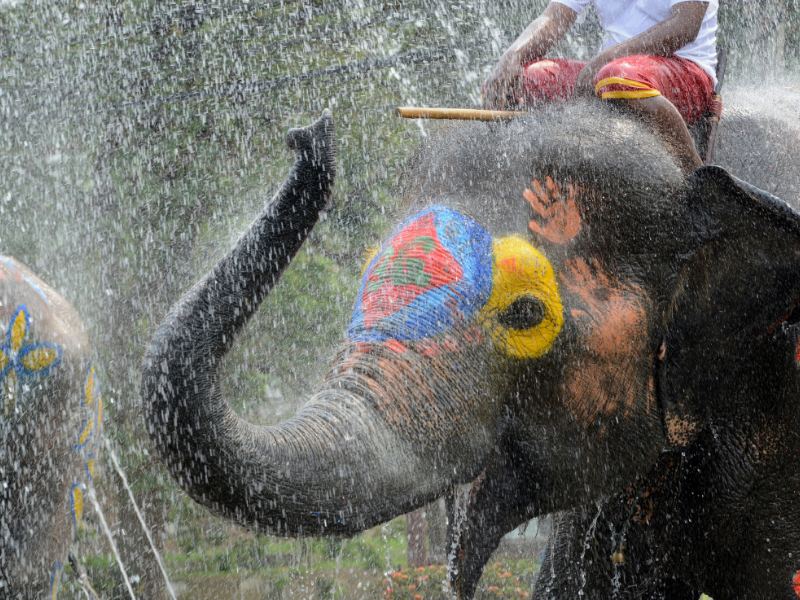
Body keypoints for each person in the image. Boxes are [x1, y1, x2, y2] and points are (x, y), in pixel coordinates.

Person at [483, 1, 718, 172]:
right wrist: (512, 58)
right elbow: (554, 18)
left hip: (683, 69)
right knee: (524, 80)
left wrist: (605, 60)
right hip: (610, 74)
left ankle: (696, 179)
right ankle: (524, 175)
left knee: (616, 76)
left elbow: (686, 26)